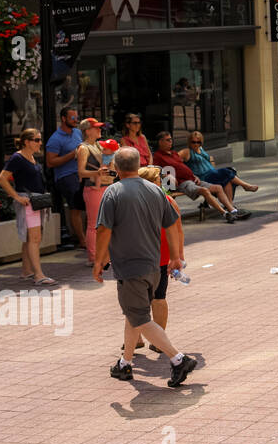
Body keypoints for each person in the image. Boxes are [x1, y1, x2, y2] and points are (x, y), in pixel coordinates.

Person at [95, 147, 196, 387]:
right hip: (153, 265)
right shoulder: (156, 191)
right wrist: (174, 257)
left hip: (130, 266)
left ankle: (178, 359)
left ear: (117, 169)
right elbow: (173, 224)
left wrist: (98, 262)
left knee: (139, 317)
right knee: (134, 314)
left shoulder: (112, 193)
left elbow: (103, 230)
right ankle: (125, 363)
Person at [134, 165, 184, 354]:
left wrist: (178, 256)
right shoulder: (139, 201)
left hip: (156, 256)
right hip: (142, 255)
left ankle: (157, 339)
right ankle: (137, 338)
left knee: (155, 297)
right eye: (157, 179)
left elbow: (178, 230)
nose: (160, 183)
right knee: (142, 298)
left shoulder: (167, 200)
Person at [0, 129, 54, 285]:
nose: (40, 143)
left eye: (40, 139)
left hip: (36, 202)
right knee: (34, 239)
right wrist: (17, 197)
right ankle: (39, 275)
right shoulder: (17, 158)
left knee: (30, 238)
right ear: (26, 142)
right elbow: (2, 179)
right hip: (29, 203)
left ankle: (27, 271)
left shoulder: (32, 158)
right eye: (36, 140)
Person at [151, 131, 238, 222]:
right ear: (160, 142)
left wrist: (193, 175)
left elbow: (182, 166)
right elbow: (155, 171)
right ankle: (225, 213)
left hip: (194, 179)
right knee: (205, 190)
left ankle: (233, 210)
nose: (171, 142)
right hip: (183, 183)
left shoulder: (173, 153)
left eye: (171, 140)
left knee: (218, 187)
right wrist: (167, 175)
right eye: (168, 140)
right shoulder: (158, 156)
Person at [45, 107, 87, 258]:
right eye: (72, 118)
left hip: (82, 172)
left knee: (89, 204)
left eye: (77, 117)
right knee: (75, 207)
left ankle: (89, 237)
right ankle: (82, 240)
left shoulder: (77, 133)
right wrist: (72, 154)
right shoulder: (55, 139)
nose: (76, 120)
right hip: (66, 176)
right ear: (63, 119)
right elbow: (50, 162)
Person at [76, 118, 116, 263]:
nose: (100, 130)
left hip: (106, 187)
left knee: (107, 223)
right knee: (94, 224)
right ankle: (93, 257)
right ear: (87, 131)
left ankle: (104, 254)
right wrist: (98, 173)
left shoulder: (99, 145)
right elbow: (81, 172)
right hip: (93, 189)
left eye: (100, 127)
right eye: (96, 128)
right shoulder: (83, 148)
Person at [181, 130, 259, 203]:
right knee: (226, 172)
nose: (196, 144)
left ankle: (231, 207)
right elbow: (175, 161)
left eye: (198, 142)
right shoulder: (186, 152)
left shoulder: (201, 149)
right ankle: (245, 186)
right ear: (189, 142)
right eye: (193, 142)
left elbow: (208, 160)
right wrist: (191, 175)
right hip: (204, 178)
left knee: (228, 177)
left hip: (212, 174)